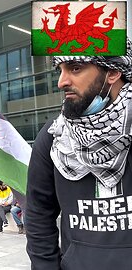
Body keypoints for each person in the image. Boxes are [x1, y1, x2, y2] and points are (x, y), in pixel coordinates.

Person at [26, 39, 132, 269]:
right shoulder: (53, 136)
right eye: (60, 70)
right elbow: (38, 216)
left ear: (112, 72)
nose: (61, 82)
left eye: (75, 68)